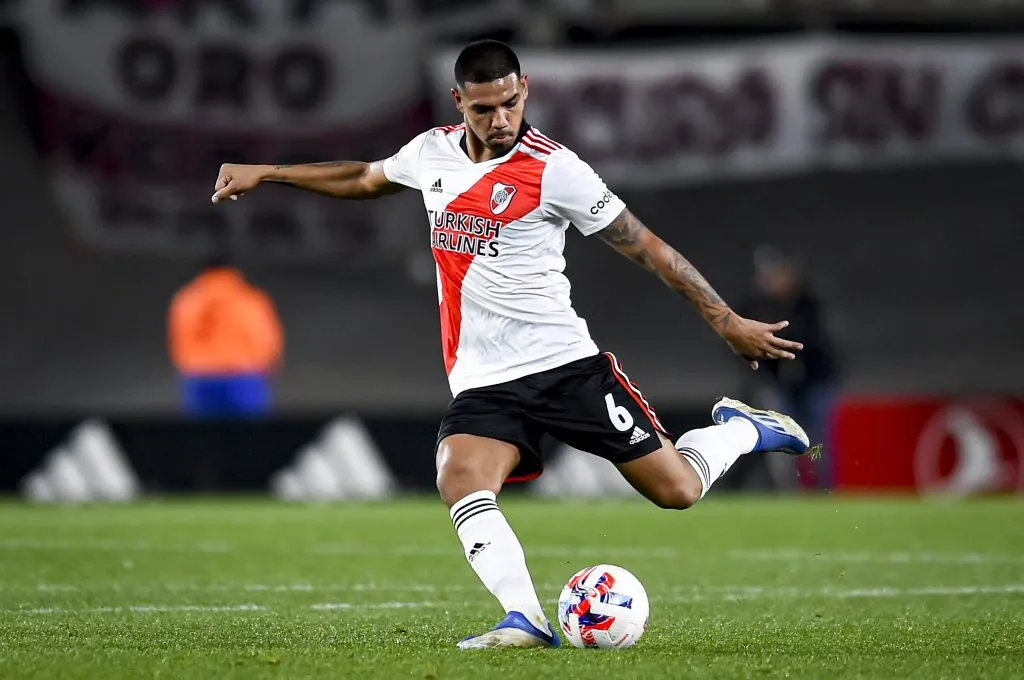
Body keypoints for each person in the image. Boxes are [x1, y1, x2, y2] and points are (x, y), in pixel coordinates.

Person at [211, 40, 817, 649]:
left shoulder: (557, 169)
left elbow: (649, 249)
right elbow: (364, 178)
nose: (500, 119)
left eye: (509, 102)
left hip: (566, 368)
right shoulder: (430, 153)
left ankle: (741, 428)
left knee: (677, 491)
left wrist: (725, 319)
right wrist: (269, 173)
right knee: (460, 474)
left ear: (524, 88)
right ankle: (525, 618)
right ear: (459, 103)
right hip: (482, 380)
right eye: (484, 109)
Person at [736, 245, 840, 489]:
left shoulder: (808, 302)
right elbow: (740, 342)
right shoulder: (755, 306)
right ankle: (789, 491)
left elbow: (816, 342)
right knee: (781, 437)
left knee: (820, 436)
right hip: (780, 384)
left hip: (815, 381)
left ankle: (826, 489)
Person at [168, 254, 284, 419]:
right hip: (244, 376)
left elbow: (179, 339)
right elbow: (264, 336)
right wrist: (271, 365)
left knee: (203, 438)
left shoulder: (186, 299)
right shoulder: (249, 298)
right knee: (250, 438)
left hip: (199, 376)